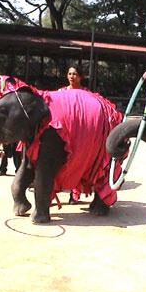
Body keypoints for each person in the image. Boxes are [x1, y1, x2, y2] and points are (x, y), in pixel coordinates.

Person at [58, 65, 87, 204]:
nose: (71, 76)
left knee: (78, 162)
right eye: (69, 73)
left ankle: (75, 193)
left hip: (81, 134)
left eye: (74, 74)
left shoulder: (86, 94)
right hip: (64, 133)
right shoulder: (61, 92)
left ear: (80, 76)